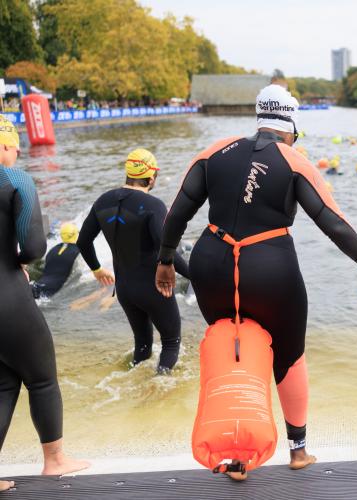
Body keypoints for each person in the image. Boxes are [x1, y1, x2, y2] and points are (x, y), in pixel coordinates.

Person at [155, 84, 357, 475]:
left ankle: (236, 453)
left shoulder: (214, 152)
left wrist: (165, 260)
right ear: (290, 122)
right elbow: (332, 222)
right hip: (271, 270)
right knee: (289, 356)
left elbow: (176, 213)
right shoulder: (294, 160)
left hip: (212, 266)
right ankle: (298, 451)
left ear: (259, 117)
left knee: (235, 349)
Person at [0, 117, 88, 492]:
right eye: (15, 145)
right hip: (6, 292)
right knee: (42, 377)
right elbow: (35, 247)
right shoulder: (15, 180)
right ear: (5, 145)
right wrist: (18, 262)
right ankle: (55, 460)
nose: (18, 152)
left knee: (4, 383)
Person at [77, 149, 190, 373]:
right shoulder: (153, 205)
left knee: (142, 344)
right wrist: (197, 274)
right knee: (170, 342)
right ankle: (159, 393)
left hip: (125, 289)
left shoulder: (103, 201)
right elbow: (166, 249)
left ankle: (132, 388)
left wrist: (97, 269)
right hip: (154, 287)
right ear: (150, 178)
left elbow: (82, 241)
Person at [30, 222, 80, 299]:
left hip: (36, 285)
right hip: (50, 290)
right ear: (76, 234)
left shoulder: (52, 250)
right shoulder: (79, 250)